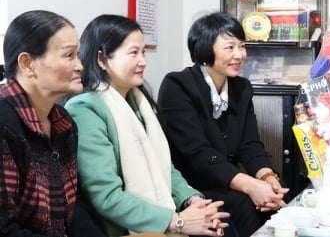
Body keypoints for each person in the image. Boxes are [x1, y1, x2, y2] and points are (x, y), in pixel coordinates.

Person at [64, 15, 233, 237]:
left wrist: (195, 202)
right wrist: (178, 221)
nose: (143, 61)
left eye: (143, 52)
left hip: (163, 217)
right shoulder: (86, 109)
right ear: (102, 59)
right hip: (123, 229)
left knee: (224, 220)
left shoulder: (137, 102)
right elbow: (106, 196)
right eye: (133, 53)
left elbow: (164, 167)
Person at [157, 12, 289, 237]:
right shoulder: (177, 86)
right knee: (241, 205)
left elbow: (251, 145)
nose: (239, 55)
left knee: (280, 199)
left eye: (242, 46)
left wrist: (267, 179)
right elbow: (197, 154)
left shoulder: (242, 88)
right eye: (230, 47)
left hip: (227, 182)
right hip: (191, 186)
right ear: (205, 50)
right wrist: (250, 186)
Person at [0, 10, 93, 236]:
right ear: (27, 63)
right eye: (69, 55)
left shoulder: (64, 122)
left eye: (78, 55)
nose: (80, 65)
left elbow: (71, 203)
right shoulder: (4, 123)